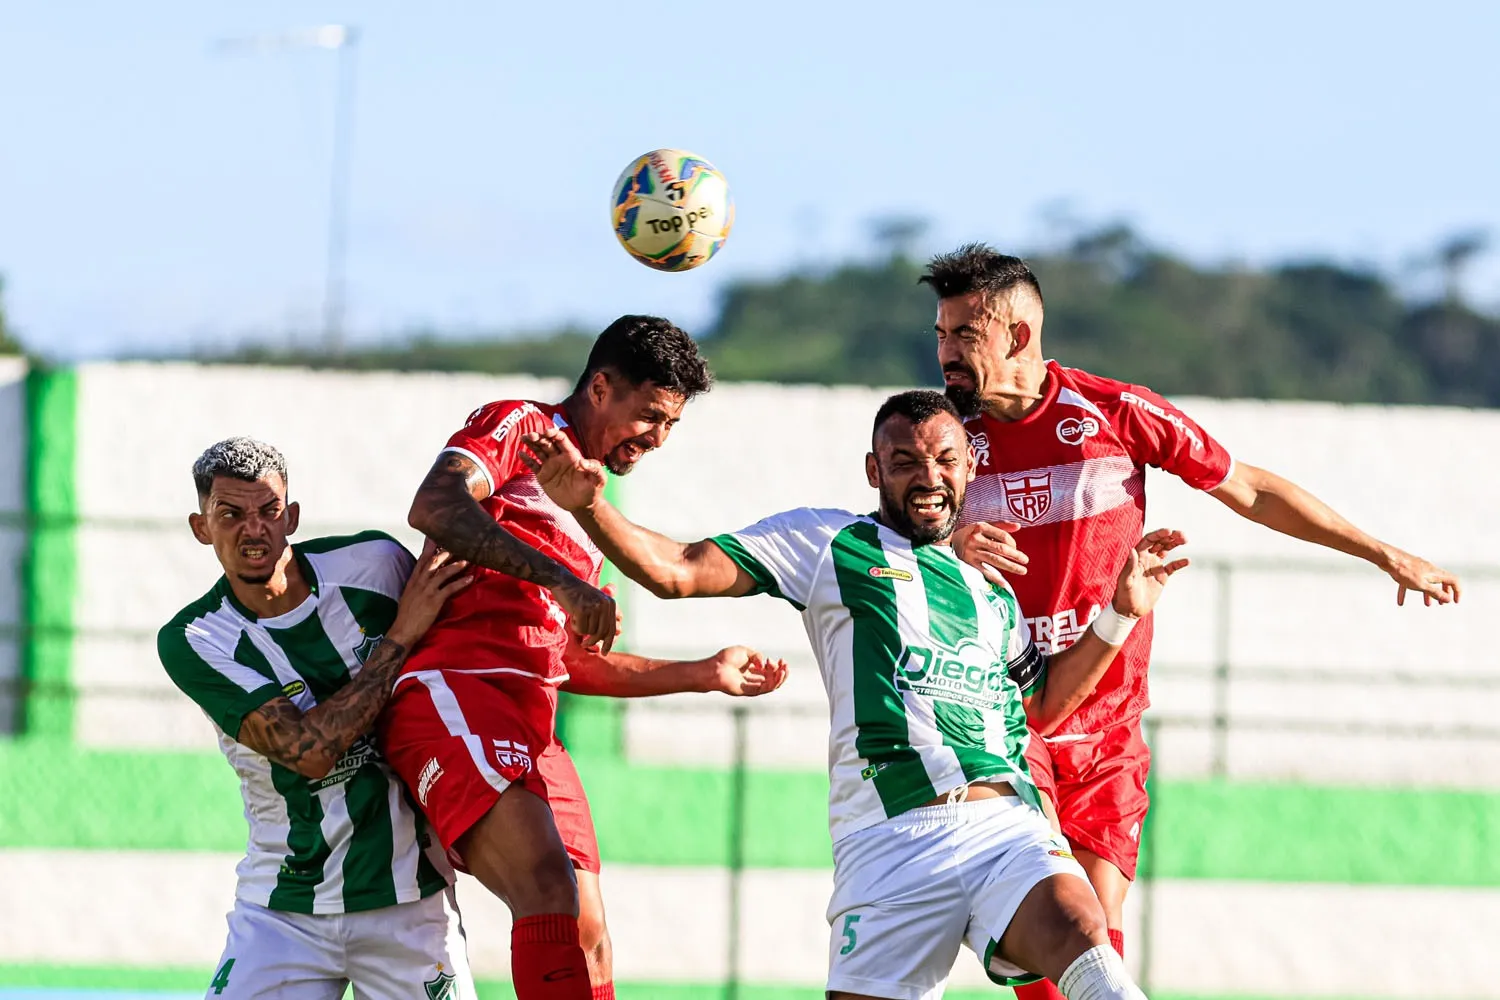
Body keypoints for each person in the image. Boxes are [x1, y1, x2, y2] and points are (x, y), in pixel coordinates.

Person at [519, 389, 1190, 1000]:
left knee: (1081, 927)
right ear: (874, 472)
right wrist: (590, 506)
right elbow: (677, 571)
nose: (928, 477)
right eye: (904, 462)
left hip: (1005, 830)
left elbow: (1043, 706)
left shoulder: (991, 590)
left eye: (946, 461)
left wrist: (1121, 613)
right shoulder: (828, 542)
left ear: (969, 470)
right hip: (890, 841)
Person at [923, 244, 1462, 998]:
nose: (945, 353)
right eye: (941, 335)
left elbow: (1250, 490)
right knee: (1067, 926)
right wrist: (942, 543)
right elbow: (878, 543)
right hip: (1010, 724)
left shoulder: (1114, 412)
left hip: (1110, 732)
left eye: (963, 337)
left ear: (1017, 335)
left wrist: (1380, 552)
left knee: (1094, 946)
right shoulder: (944, 442)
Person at [379, 315, 788, 1000]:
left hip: (533, 727)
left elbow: (574, 664)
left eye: (672, 425)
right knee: (546, 886)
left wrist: (701, 674)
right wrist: (562, 581)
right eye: (650, 416)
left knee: (589, 931)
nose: (658, 439)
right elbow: (435, 501)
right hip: (455, 693)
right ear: (600, 387)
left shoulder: (591, 509)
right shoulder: (522, 427)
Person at [158, 437, 478, 1000]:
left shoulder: (375, 566)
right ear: (201, 526)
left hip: (411, 902)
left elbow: (477, 639)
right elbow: (309, 752)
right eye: (230, 514)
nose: (253, 529)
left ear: (293, 517)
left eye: (269, 511)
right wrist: (402, 634)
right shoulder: (198, 638)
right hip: (283, 912)